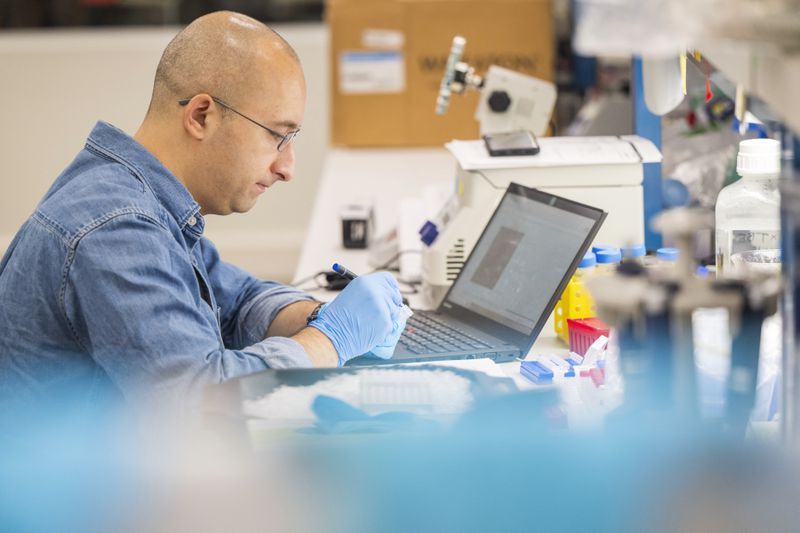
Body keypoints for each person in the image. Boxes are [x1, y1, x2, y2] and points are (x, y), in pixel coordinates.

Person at [0, 11, 405, 415]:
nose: (287, 168)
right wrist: (332, 339)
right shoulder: (117, 228)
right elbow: (204, 404)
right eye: (277, 136)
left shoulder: (146, 203)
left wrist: (318, 315)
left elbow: (238, 302)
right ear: (201, 116)